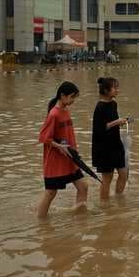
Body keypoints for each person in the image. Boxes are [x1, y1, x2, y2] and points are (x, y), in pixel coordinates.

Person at [37, 81, 88, 218]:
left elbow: (68, 136)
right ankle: (41, 223)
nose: (73, 100)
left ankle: (80, 217)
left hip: (69, 160)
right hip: (56, 162)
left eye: (74, 97)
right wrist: (59, 147)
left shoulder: (66, 111)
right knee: (51, 193)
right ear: (62, 96)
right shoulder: (54, 114)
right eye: (72, 97)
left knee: (83, 187)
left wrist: (75, 153)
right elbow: (43, 137)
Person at [92, 77, 129, 200]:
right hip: (104, 147)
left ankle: (118, 199)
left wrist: (119, 122)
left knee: (124, 174)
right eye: (115, 88)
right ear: (106, 91)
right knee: (107, 178)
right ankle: (104, 205)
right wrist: (116, 122)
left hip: (116, 144)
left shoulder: (113, 104)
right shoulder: (100, 107)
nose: (118, 90)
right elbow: (100, 129)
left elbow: (112, 123)